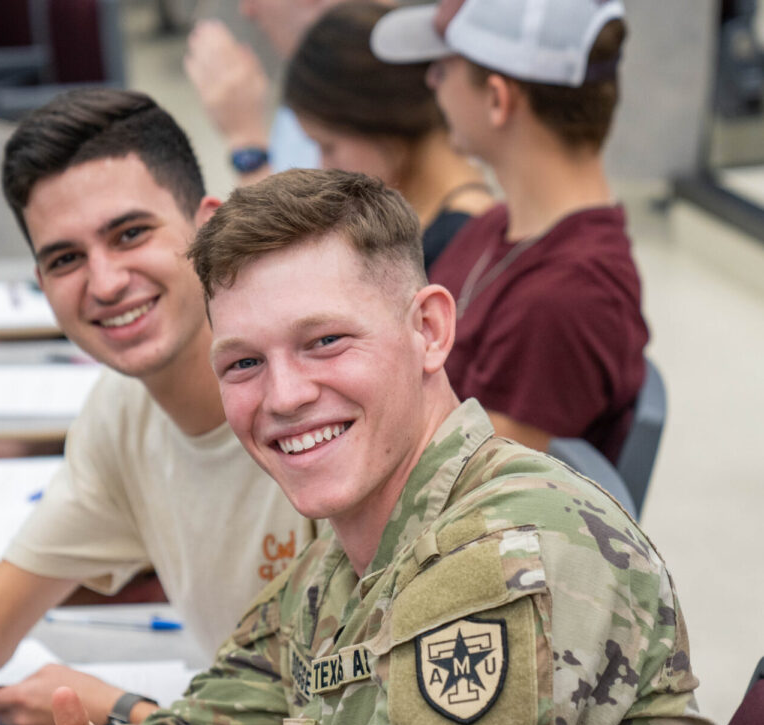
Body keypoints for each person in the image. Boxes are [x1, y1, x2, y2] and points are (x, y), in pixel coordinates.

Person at [14, 169, 736, 725]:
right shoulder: (346, 559)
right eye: (244, 362)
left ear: (429, 329)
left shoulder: (507, 554)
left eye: (324, 342)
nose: (283, 396)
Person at [0, 89, 310, 725]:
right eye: (65, 259)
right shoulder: (120, 414)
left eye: (130, 234)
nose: (106, 281)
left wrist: (128, 712)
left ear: (208, 228)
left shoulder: (311, 411)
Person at [372, 0, 647, 462]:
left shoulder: (565, 299)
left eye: (443, 69)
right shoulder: (501, 226)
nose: (430, 82)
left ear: (498, 98)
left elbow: (475, 494)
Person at [283, 0, 492, 269]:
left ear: (375, 119)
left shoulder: (459, 249)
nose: (323, 167)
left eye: (328, 146)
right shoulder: (436, 236)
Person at [184, 0, 390, 184]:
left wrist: (247, 144)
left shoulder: (381, 90)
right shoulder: (308, 84)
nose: (247, 10)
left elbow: (341, 221)